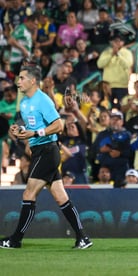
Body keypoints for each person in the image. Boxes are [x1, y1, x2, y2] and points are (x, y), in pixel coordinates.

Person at [1, 65, 92, 249]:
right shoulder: (25, 102)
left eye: (21, 78)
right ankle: (83, 238)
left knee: (29, 193)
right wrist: (18, 129)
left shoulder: (43, 100)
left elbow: (59, 125)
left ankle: (16, 239)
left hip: (47, 151)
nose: (18, 81)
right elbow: (29, 126)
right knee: (61, 197)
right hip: (39, 151)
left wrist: (34, 134)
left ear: (33, 81)